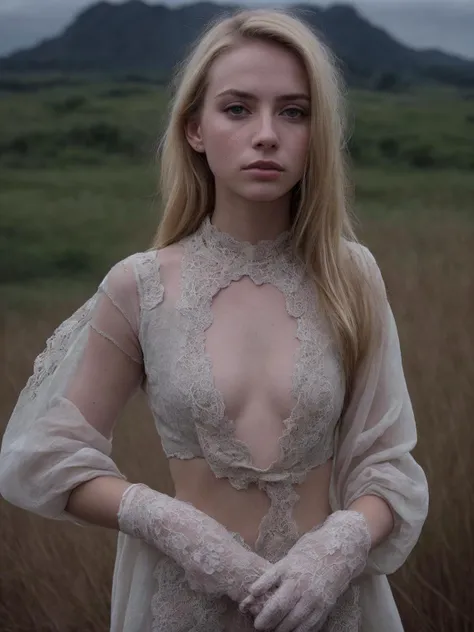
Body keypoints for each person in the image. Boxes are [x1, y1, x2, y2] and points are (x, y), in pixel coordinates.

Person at [0, 8, 429, 632]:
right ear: (194, 128)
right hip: (181, 606)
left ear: (318, 133)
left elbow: (389, 466)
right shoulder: (139, 285)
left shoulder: (352, 276)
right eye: (237, 108)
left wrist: (337, 549)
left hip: (329, 606)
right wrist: (169, 522)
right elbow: (41, 456)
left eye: (293, 111)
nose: (266, 134)